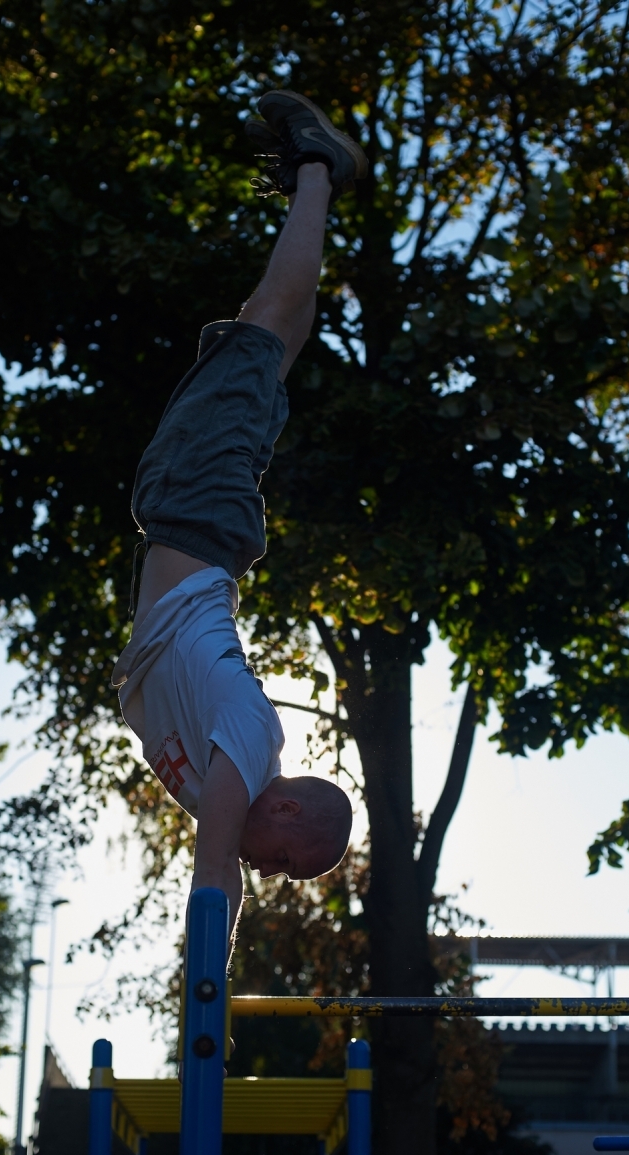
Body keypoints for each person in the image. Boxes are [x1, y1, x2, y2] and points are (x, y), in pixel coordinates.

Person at [111, 91, 368, 943]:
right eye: (292, 860)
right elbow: (216, 869)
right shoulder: (252, 751)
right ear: (287, 804)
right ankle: (318, 166)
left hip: (198, 521)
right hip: (193, 511)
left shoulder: (222, 771)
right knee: (264, 329)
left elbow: (225, 862)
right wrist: (208, 991)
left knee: (273, 340)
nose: (274, 873)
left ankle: (314, 182)